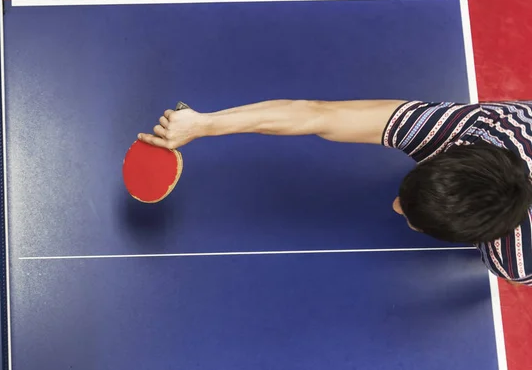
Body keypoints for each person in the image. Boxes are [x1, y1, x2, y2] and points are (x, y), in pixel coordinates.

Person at [138, 99, 532, 286]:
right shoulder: (475, 128)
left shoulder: (515, 261)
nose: (396, 207)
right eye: (406, 200)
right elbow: (317, 114)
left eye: (415, 220)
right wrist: (205, 124)